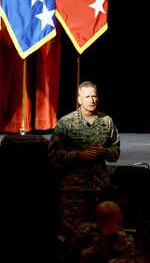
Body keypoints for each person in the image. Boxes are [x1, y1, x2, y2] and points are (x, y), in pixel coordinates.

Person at [48, 81, 120, 260]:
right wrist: (78, 156)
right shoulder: (66, 123)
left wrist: (104, 151)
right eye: (87, 96)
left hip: (100, 192)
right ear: (79, 99)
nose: (92, 100)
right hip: (74, 192)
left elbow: (115, 152)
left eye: (94, 96)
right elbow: (53, 154)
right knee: (72, 239)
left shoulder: (107, 121)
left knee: (102, 239)